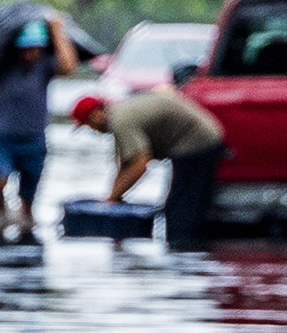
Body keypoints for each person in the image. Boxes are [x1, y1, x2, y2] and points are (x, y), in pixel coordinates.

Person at [75, 86, 230, 250]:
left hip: (198, 142)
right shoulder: (119, 115)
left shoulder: (120, 120)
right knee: (181, 207)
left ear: (96, 114)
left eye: (88, 124)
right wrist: (114, 196)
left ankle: (184, 255)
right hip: (199, 138)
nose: (93, 130)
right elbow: (126, 164)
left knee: (181, 211)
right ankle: (187, 250)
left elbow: (140, 162)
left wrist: (110, 199)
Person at [0, 13, 73, 239]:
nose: (32, 53)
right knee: (0, 182)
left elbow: (69, 67)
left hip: (34, 139)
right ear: (17, 48)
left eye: (36, 48)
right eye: (27, 49)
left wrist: (57, 31)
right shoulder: (2, 67)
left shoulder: (44, 67)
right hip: (3, 138)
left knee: (28, 202)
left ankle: (25, 223)